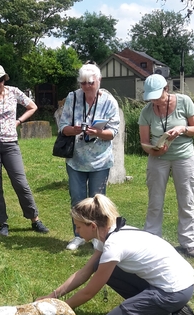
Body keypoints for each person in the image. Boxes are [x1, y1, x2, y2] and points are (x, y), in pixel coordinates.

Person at [37, 194, 194, 315]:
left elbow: (89, 292)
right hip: (178, 284)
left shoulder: (114, 245)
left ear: (93, 226)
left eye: (79, 226)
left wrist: (61, 310)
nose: (77, 230)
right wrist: (53, 297)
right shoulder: (110, 232)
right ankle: (167, 310)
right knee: (100, 266)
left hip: (174, 290)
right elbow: (85, 271)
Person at [0, 64, 49, 236]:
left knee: (20, 182)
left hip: (10, 144)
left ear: (4, 79)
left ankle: (34, 219)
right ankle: (2, 223)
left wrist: (18, 121)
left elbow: (33, 106)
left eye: (0, 80)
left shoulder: (14, 92)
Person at [59, 63, 120, 251]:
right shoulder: (73, 98)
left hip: (100, 160)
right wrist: (74, 129)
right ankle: (78, 236)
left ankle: (98, 237)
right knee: (77, 199)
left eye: (90, 83)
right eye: (83, 83)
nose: (86, 87)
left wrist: (98, 132)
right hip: (76, 159)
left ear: (99, 81)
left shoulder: (109, 101)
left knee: (98, 201)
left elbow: (113, 131)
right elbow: (63, 126)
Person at [138, 74, 194, 258]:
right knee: (155, 201)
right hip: (158, 158)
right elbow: (143, 142)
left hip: (184, 157)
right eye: (151, 98)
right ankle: (152, 240)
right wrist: (153, 150)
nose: (154, 101)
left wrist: (182, 129)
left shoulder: (184, 102)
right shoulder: (147, 111)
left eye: (157, 97)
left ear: (166, 89)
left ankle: (188, 243)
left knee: (187, 200)